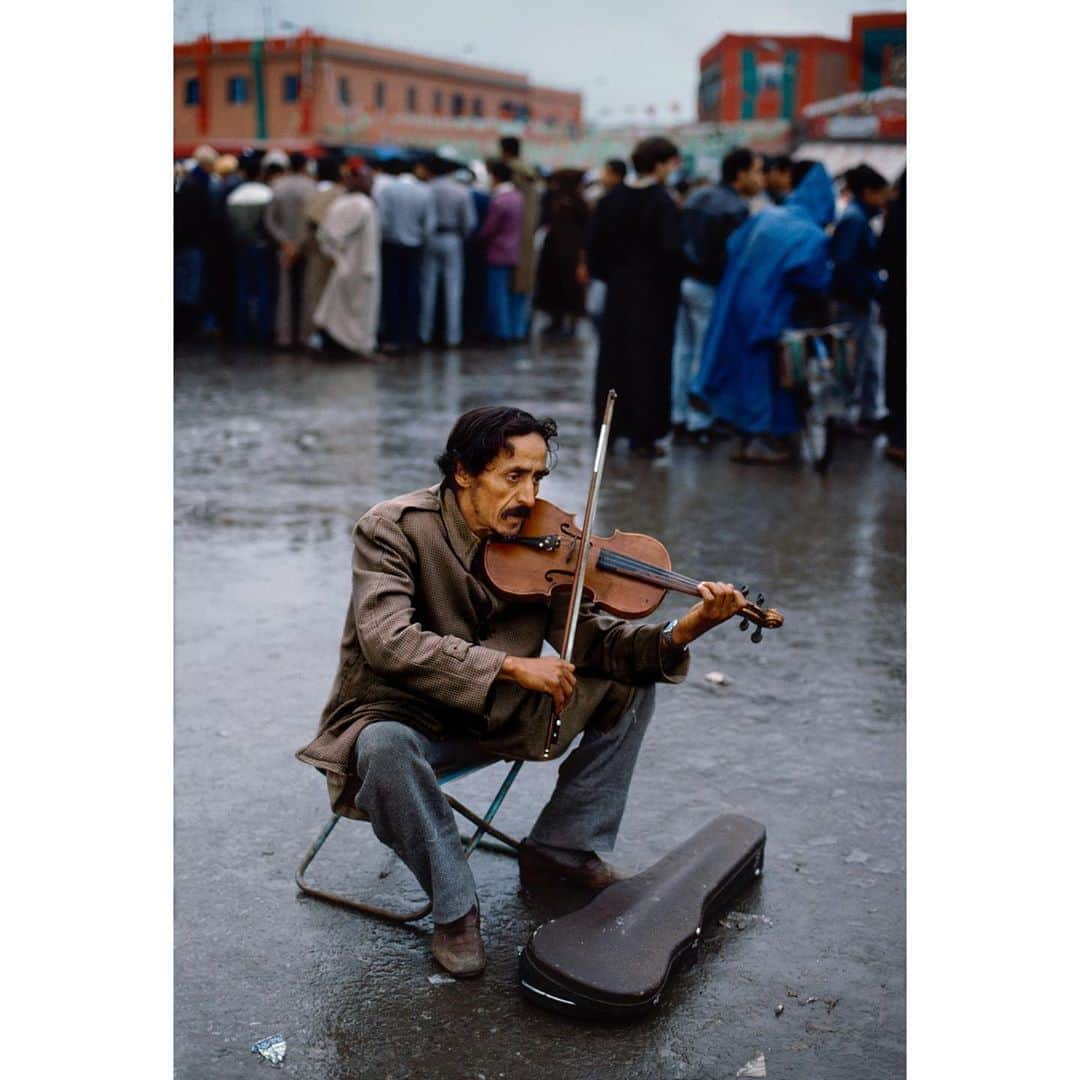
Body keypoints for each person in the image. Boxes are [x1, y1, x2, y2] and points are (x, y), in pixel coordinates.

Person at [295, 405, 750, 977]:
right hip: (400, 715)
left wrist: (686, 629)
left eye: (538, 477)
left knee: (629, 683)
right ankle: (455, 909)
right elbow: (389, 642)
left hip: (495, 717)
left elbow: (594, 644)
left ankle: (561, 846)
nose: (530, 496)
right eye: (514, 477)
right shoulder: (392, 528)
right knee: (383, 746)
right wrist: (509, 666)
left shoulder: (541, 542)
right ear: (464, 472)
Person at [691, 161, 835, 464]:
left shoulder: (766, 216)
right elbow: (813, 280)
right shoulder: (811, 234)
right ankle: (766, 440)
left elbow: (732, 246)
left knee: (742, 369)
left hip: (736, 302)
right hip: (774, 310)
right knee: (773, 377)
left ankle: (745, 438)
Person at [587, 136, 684, 458]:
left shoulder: (612, 199)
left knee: (613, 360)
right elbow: (672, 253)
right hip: (654, 298)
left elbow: (595, 247)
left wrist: (611, 276)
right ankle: (644, 433)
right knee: (649, 364)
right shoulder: (662, 202)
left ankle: (609, 429)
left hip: (618, 293)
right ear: (658, 164)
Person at [671, 147, 763, 445]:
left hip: (685, 280)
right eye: (756, 171)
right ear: (740, 173)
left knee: (683, 352)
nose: (758, 178)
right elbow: (733, 256)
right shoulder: (735, 207)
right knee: (702, 353)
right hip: (710, 287)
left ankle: (680, 416)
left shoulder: (698, 197)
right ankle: (701, 422)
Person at [831, 164, 891, 431]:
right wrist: (871, 286)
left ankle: (864, 412)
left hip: (858, 300)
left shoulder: (856, 218)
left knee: (865, 359)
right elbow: (847, 264)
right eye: (880, 194)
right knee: (855, 360)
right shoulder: (855, 220)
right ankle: (848, 415)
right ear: (868, 192)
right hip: (854, 302)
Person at [312, 161, 381, 360]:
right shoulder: (357, 204)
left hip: (357, 266)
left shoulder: (350, 202)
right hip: (355, 267)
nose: (371, 183)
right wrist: (339, 259)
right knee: (350, 314)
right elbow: (331, 235)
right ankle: (351, 345)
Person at [376, 157, 436, 353]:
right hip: (414, 246)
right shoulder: (424, 192)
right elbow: (429, 225)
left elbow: (382, 221)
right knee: (412, 290)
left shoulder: (387, 191)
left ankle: (392, 335)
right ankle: (410, 336)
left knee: (392, 291)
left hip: (391, 245)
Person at [419, 157, 477, 349]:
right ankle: (453, 337)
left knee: (427, 288)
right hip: (453, 239)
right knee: (453, 289)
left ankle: (424, 334)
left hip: (431, 238)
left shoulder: (427, 189)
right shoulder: (460, 191)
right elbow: (469, 222)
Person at [264, 151, 316, 349]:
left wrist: (285, 243)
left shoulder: (278, 187)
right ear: (304, 166)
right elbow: (314, 221)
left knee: (284, 294)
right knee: (305, 292)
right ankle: (304, 336)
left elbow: (270, 220)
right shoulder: (311, 188)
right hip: (305, 247)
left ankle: (284, 336)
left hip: (284, 249)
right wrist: (300, 244)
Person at [225, 152, 275, 345]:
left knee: (243, 290)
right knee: (263, 291)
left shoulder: (234, 196)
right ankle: (262, 332)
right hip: (262, 247)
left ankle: (242, 331)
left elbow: (230, 225)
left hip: (241, 247)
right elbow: (268, 224)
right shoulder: (266, 194)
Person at [534, 169, 589, 339]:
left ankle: (565, 322)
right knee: (558, 286)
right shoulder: (566, 200)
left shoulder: (570, 201)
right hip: (561, 251)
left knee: (566, 287)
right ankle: (559, 321)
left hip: (565, 252)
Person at [477, 161, 524, 346]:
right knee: (507, 294)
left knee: (496, 296)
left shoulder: (500, 200)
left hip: (497, 251)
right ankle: (509, 330)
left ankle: (500, 332)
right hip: (512, 250)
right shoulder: (518, 197)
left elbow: (489, 229)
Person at [299, 155, 344, 347]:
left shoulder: (311, 194)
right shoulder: (341, 195)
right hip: (337, 252)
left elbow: (305, 226)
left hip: (315, 252)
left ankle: (313, 335)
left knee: (313, 294)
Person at [174, 144, 217, 341]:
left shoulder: (186, 183)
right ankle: (186, 329)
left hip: (184, 243)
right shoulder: (199, 185)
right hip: (193, 244)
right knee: (189, 290)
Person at [499, 137, 540, 341]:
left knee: (506, 289)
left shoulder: (511, 175)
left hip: (508, 238)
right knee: (522, 287)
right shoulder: (531, 174)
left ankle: (508, 331)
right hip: (527, 236)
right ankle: (520, 329)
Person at [878, 170, 906, 465]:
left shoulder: (897, 213)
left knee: (897, 365)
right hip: (900, 305)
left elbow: (884, 255)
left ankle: (898, 432)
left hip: (898, 304)